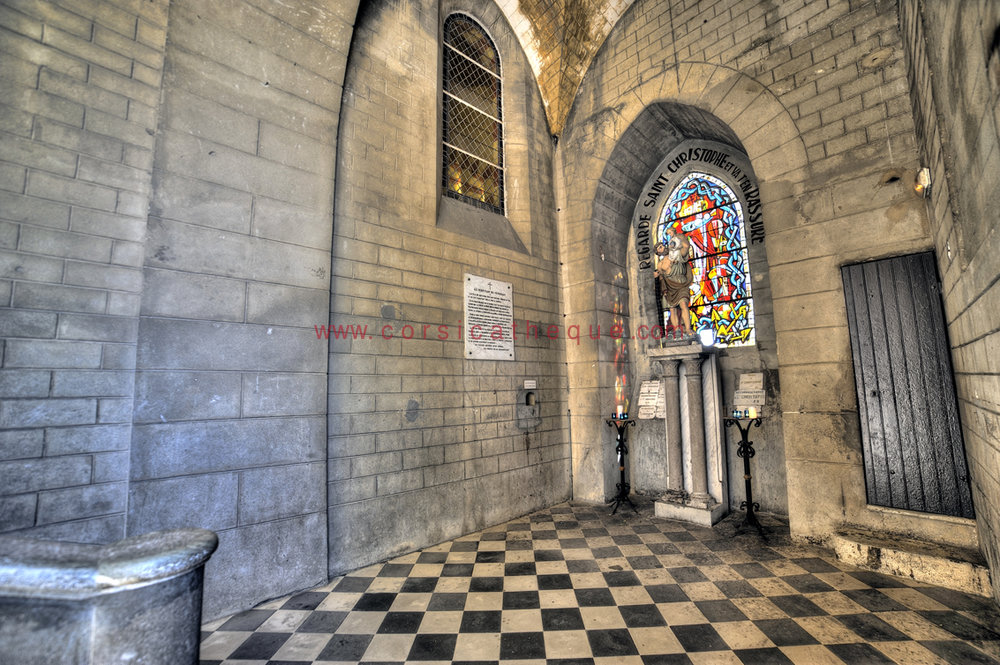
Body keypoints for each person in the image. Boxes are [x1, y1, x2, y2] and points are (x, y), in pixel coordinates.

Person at [653, 229, 694, 338]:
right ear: (658, 253)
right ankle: (677, 331)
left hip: (680, 282)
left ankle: (688, 329)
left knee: (684, 304)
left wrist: (676, 235)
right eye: (660, 248)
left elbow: (685, 247)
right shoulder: (661, 264)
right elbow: (662, 278)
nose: (663, 248)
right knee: (672, 309)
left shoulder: (675, 253)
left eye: (662, 245)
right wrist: (663, 288)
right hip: (670, 286)